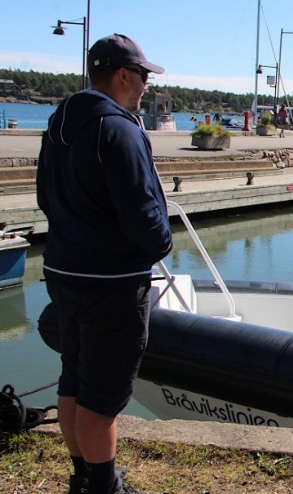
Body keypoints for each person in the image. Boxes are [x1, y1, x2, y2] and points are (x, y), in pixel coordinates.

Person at [37, 33, 172, 494]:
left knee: (74, 379)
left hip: (63, 274)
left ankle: (84, 476)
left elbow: (44, 198)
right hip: (111, 284)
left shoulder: (59, 122)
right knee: (102, 398)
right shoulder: (119, 129)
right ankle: (104, 487)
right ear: (121, 75)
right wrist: (161, 242)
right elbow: (144, 215)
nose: (145, 87)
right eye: (142, 77)